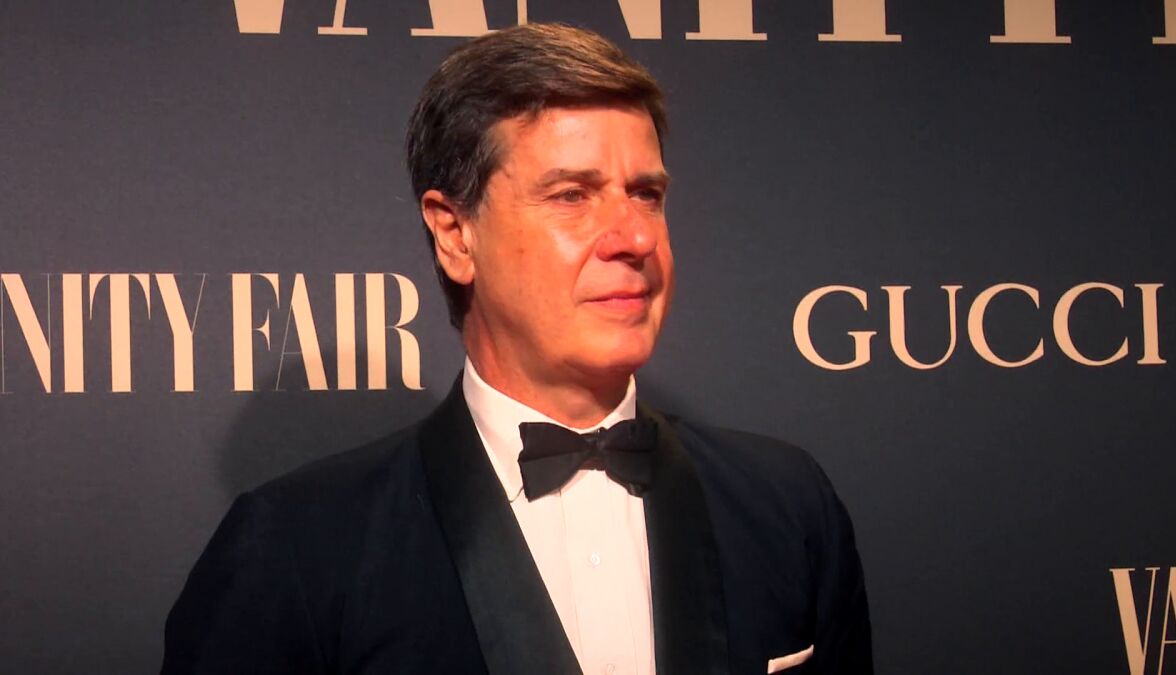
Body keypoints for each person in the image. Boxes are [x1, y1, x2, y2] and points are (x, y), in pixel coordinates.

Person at [163, 22, 872, 675]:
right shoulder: (297, 547)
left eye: (646, 194)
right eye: (572, 196)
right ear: (455, 234)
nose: (635, 237)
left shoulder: (786, 505)